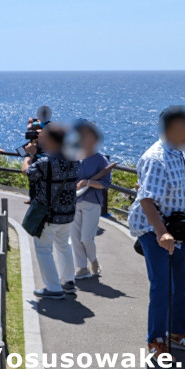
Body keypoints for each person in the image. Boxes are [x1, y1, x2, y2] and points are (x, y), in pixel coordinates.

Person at [128, 106, 185, 356]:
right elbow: (147, 199)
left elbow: (178, 188)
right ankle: (156, 340)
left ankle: (176, 333)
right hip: (155, 231)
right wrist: (162, 232)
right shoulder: (156, 157)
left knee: (184, 285)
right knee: (162, 286)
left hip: (178, 231)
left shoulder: (182, 154)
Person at [22, 123, 79, 300]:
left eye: (45, 139)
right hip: (68, 213)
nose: (42, 142)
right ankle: (68, 281)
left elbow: (27, 172)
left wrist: (29, 155)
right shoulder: (74, 159)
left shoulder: (45, 162)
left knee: (44, 249)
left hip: (48, 215)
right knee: (64, 246)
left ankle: (53, 288)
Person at [71, 120, 114, 280]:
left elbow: (105, 184)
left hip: (92, 202)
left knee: (86, 238)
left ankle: (93, 261)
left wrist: (88, 182)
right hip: (74, 201)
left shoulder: (100, 160)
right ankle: (82, 268)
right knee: (74, 237)